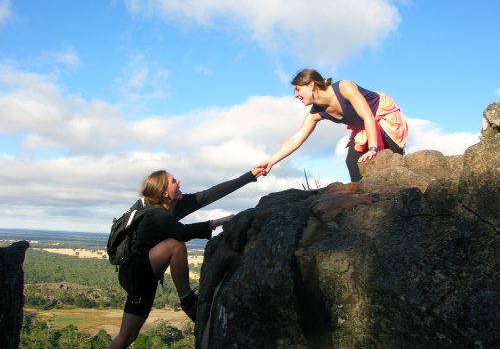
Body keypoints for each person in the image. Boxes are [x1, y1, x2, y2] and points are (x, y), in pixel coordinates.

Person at [109, 167, 264, 349]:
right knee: (176, 246)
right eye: (174, 181)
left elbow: (210, 194)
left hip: (144, 276)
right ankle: (188, 300)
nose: (179, 182)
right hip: (137, 275)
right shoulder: (156, 215)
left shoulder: (172, 206)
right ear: (165, 192)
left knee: (127, 336)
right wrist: (214, 223)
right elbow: (182, 232)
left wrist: (251, 175)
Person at [259, 68, 409, 182]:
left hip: (382, 115)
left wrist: (372, 148)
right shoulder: (315, 114)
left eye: (297, 89)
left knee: (393, 157)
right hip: (363, 127)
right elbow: (296, 139)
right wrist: (271, 161)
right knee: (352, 161)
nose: (295, 95)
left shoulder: (344, 87)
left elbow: (367, 115)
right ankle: (362, 199)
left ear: (311, 84)